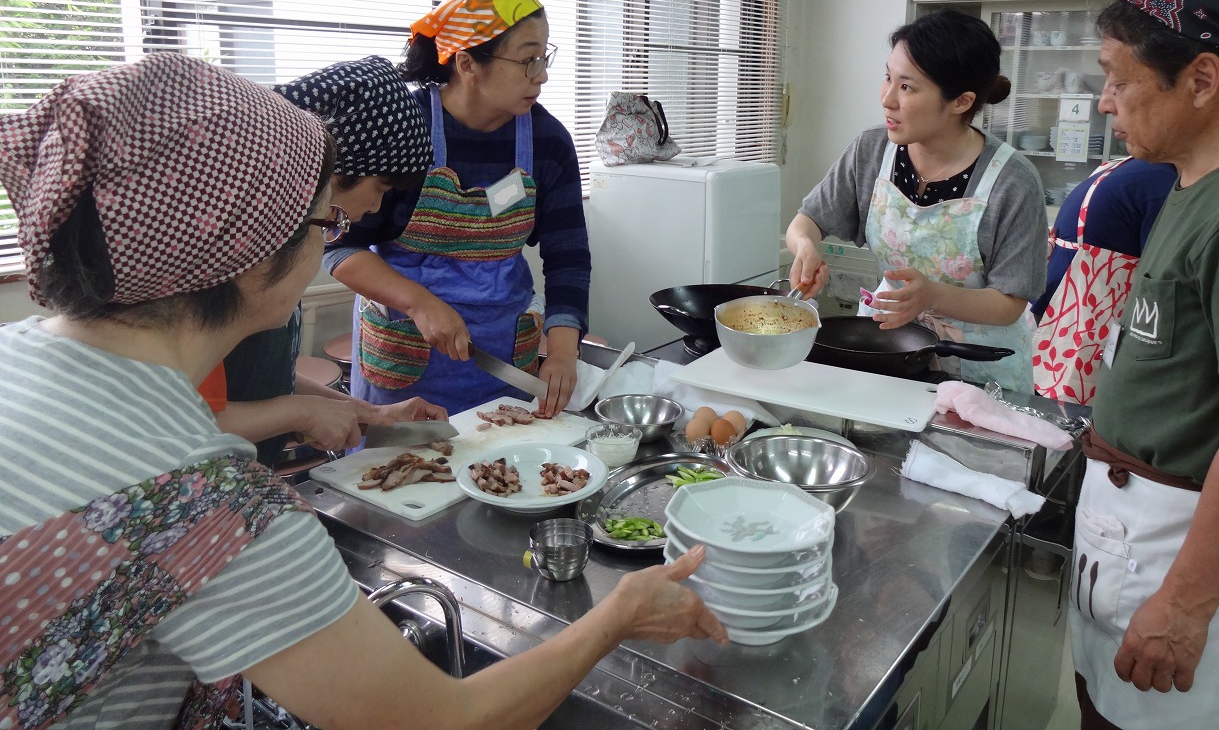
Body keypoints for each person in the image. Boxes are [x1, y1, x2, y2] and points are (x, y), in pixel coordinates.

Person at [0, 53, 725, 730]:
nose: (332, 243)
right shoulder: (202, 506)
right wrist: (618, 616)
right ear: (250, 257)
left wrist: (360, 413)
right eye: (326, 222)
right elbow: (444, 722)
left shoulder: (22, 354)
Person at [1068, 0, 1219, 730]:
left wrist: (1186, 605)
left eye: (1117, 79)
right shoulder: (1196, 179)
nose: (1104, 103)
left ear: (1201, 79)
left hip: (1181, 544)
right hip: (1133, 527)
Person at [326, 0, 590, 417]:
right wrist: (418, 301)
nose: (542, 75)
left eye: (544, 57)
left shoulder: (549, 142)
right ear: (466, 64)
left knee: (503, 458)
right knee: (404, 460)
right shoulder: (402, 130)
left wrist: (563, 351)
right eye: (528, 60)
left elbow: (569, 256)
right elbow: (338, 245)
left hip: (503, 356)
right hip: (407, 357)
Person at [787, 9, 1046, 392]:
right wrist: (806, 248)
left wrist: (934, 296)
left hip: (979, 368)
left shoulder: (1012, 182)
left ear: (961, 101)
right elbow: (807, 221)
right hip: (888, 349)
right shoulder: (871, 151)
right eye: (888, 77)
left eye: (907, 87)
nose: (887, 98)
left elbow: (1010, 303)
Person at [210, 56, 447, 464]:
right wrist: (302, 413)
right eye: (380, 188)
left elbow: (264, 380)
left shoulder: (282, 244)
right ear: (336, 169)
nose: (376, 207)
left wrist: (373, 415)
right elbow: (185, 419)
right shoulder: (228, 261)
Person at [1030, 156, 1176, 408]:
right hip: (1072, 315)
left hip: (1070, 314)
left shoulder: (1144, 176)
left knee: (1061, 408)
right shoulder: (1154, 179)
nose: (1108, 113)